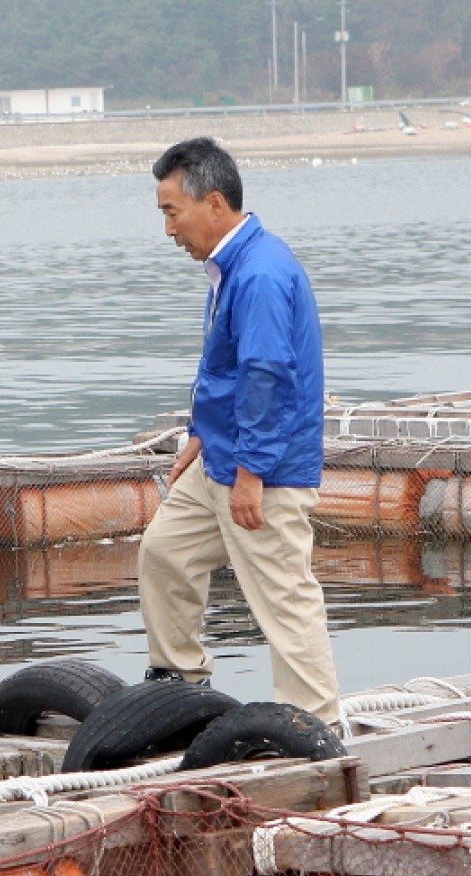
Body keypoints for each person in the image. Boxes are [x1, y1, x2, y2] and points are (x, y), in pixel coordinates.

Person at [138, 137, 341, 724]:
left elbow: (268, 377)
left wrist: (252, 472)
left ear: (214, 203)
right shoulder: (231, 265)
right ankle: (180, 681)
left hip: (263, 468)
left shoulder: (259, 274)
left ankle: (317, 724)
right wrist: (201, 433)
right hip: (221, 457)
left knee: (283, 599)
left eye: (172, 212)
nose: (169, 229)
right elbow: (229, 369)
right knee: (165, 553)